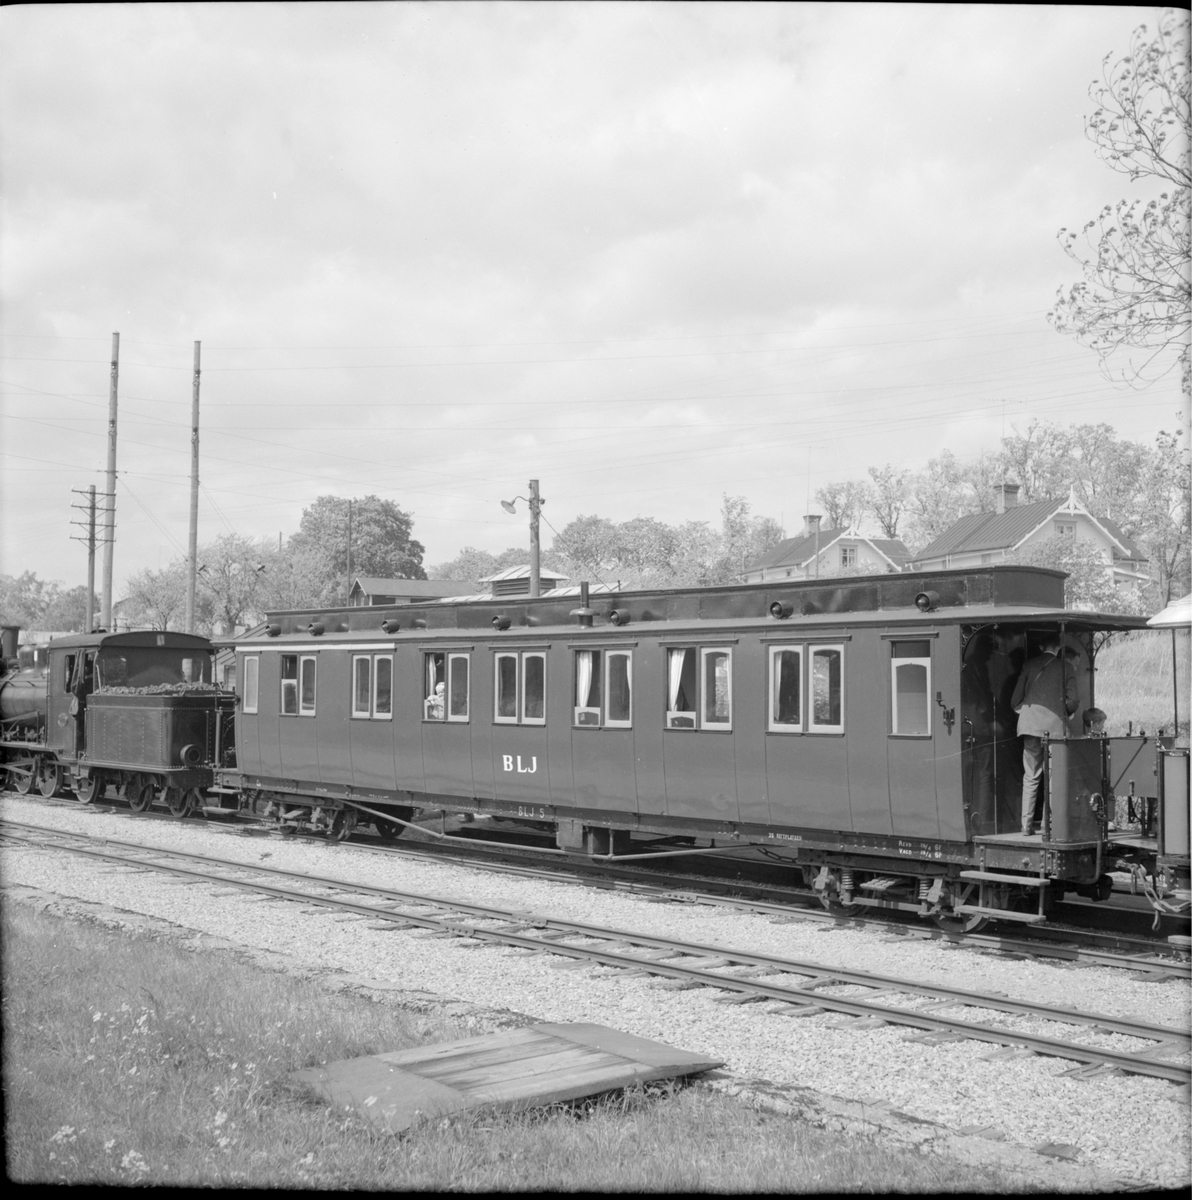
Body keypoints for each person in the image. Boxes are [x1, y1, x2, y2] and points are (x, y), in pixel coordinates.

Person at [1011, 636, 1079, 836]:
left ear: (1041, 646)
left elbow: (1015, 699)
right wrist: (1066, 711)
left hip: (1030, 727)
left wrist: (1025, 713)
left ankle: (1026, 826)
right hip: (1055, 729)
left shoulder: (1030, 664)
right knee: (1053, 776)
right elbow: (1073, 700)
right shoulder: (1066, 668)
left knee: (1030, 776)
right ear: (1058, 647)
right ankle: (1048, 825)